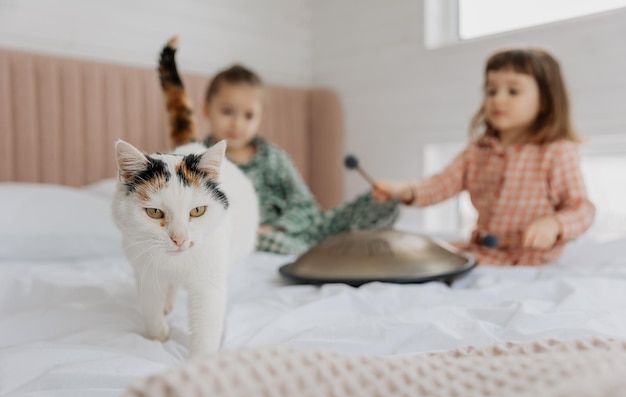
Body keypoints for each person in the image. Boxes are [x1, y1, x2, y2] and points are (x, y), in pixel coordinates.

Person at [157, 38, 399, 256]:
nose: (237, 124)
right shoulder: (196, 161)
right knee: (262, 241)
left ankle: (329, 244)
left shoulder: (274, 157)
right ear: (207, 110)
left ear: (260, 118)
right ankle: (322, 252)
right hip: (258, 237)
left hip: (294, 227)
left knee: (379, 203)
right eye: (227, 111)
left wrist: (283, 226)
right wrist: (262, 230)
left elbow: (306, 207)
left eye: (248, 116)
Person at [372, 48, 595, 266]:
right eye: (491, 91)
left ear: (545, 102)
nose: (498, 100)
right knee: (414, 257)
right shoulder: (477, 152)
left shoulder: (556, 152)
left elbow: (582, 209)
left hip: (530, 258)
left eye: (513, 91)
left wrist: (554, 225)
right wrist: (404, 190)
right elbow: (439, 185)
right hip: (483, 252)